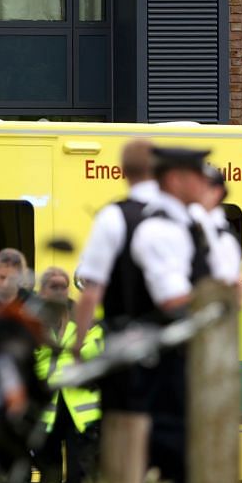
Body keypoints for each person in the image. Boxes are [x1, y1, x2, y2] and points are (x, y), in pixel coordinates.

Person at [117, 145, 242, 483]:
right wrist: (220, 298)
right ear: (175, 180)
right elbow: (173, 301)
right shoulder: (158, 229)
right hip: (165, 364)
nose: (203, 182)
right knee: (170, 455)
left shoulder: (193, 226)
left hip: (189, 360)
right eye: (195, 174)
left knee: (192, 455)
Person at [73, 137, 158, 354]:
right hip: (172, 347)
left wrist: (77, 345)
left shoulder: (113, 216)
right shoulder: (182, 215)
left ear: (122, 171)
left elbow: (91, 290)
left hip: (123, 345)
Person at [27, 266, 101, 483]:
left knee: (80, 470)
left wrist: (54, 352)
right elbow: (27, 359)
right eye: (53, 286)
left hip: (79, 409)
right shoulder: (32, 320)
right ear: (41, 291)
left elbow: (93, 350)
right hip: (46, 407)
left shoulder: (83, 315)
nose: (60, 291)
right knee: (48, 469)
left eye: (63, 286)